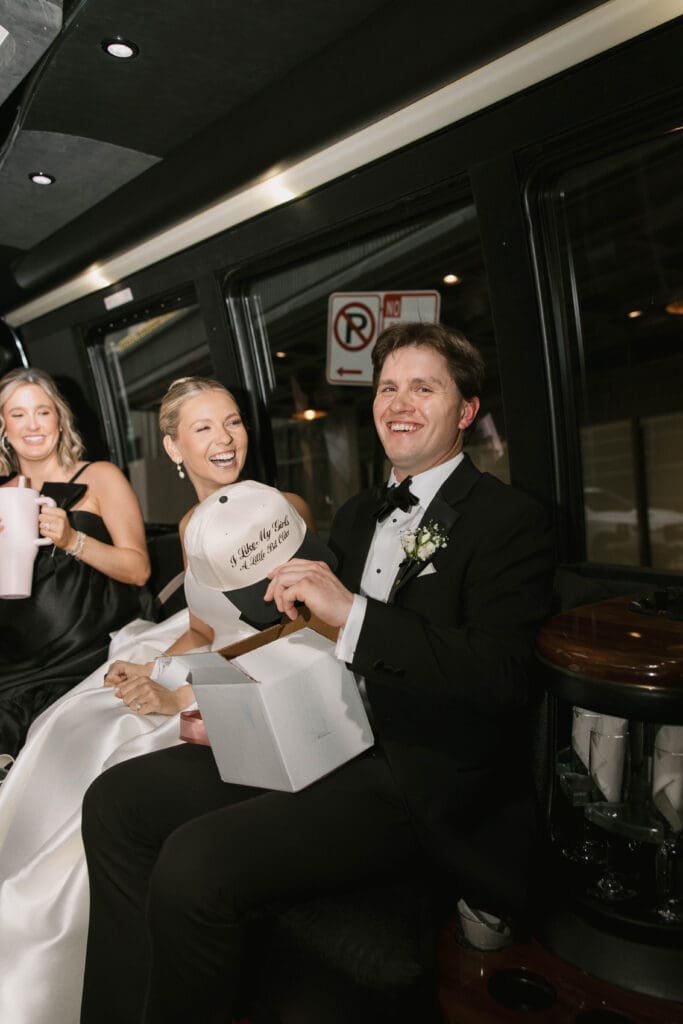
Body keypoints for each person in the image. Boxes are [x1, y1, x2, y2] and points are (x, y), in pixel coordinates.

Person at [80, 322, 555, 1024]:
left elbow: (501, 676)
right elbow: (295, 642)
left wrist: (353, 614)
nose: (398, 401)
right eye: (387, 387)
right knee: (115, 800)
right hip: (318, 729)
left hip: (410, 771)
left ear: (465, 411)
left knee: (194, 866)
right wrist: (242, 708)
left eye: (423, 388)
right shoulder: (361, 512)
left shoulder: (511, 520)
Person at [0, 375, 312, 1024]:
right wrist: (153, 667)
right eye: (203, 429)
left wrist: (174, 695)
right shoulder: (197, 520)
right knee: (71, 721)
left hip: (271, 703)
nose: (223, 439)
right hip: (197, 662)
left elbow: (275, 634)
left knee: (101, 743)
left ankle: (50, 923)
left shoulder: (282, 508)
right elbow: (202, 626)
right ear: (174, 448)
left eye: (232, 423)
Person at [0, 367, 150, 758]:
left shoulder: (100, 477)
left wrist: (72, 540)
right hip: (12, 660)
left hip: (87, 653)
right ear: (3, 425)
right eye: (17, 414)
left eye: (42, 411)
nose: (32, 424)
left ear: (60, 419)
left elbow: (138, 570)